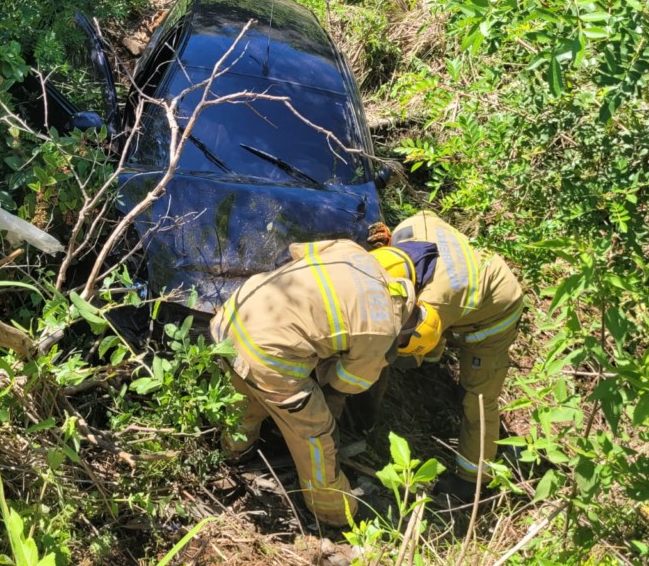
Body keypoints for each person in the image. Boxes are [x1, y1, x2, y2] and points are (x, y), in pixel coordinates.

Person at [209, 238, 418, 527]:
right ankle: (333, 511)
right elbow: (347, 383)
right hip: (270, 352)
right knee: (316, 436)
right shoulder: (383, 329)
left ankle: (232, 453)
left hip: (233, 314)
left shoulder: (355, 253)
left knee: (247, 396)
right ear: (405, 325)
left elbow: (293, 252)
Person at [367, 210, 526, 503]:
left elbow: (420, 329)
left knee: (477, 398)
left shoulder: (439, 301)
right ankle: (428, 364)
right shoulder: (408, 229)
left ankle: (473, 480)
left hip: (496, 312)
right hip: (467, 289)